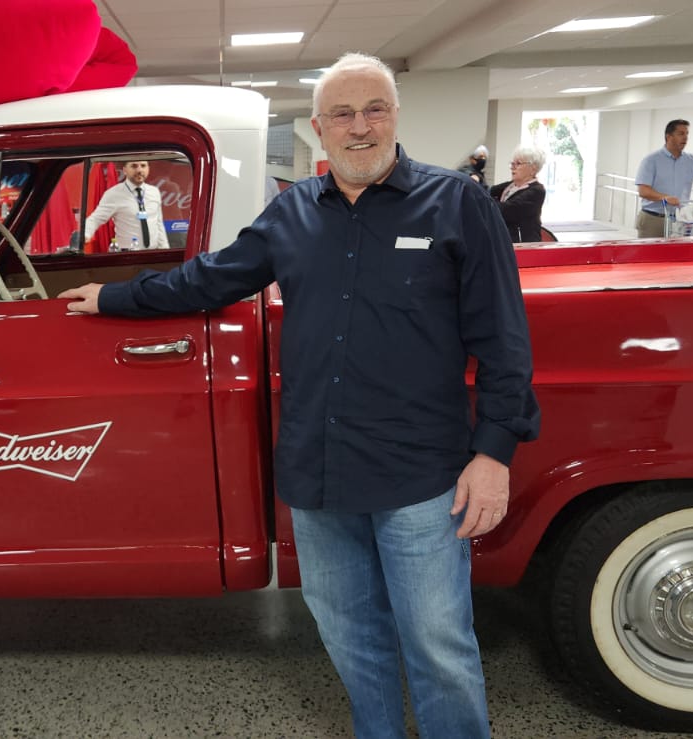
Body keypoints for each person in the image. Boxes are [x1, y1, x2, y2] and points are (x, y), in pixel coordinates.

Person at [58, 52, 538, 739]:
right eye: (343, 113)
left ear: (395, 117)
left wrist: (494, 452)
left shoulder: (456, 204)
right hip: (318, 473)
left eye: (375, 109)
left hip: (422, 476)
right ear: (319, 128)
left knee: (440, 646)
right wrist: (113, 296)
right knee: (352, 641)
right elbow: (208, 279)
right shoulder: (290, 213)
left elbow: (504, 339)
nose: (360, 126)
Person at [635, 119, 693, 238]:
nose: (685, 138)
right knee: (650, 255)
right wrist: (664, 197)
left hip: (680, 221)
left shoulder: (692, 160)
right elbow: (643, 191)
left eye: (687, 134)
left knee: (678, 255)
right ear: (668, 136)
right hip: (654, 220)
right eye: (681, 134)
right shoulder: (651, 160)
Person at [83, 160, 167, 251]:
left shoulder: (154, 192)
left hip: (153, 254)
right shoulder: (113, 194)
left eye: (143, 166)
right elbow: (96, 218)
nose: (139, 170)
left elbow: (159, 224)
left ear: (148, 169)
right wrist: (85, 234)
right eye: (134, 166)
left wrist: (165, 251)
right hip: (126, 256)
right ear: (124, 170)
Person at [488, 146, 548, 243]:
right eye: (512, 163)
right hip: (504, 241)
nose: (513, 167)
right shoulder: (510, 186)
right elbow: (486, 191)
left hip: (523, 245)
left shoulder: (537, 190)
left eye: (518, 163)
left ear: (533, 168)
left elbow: (506, 210)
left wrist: (487, 201)